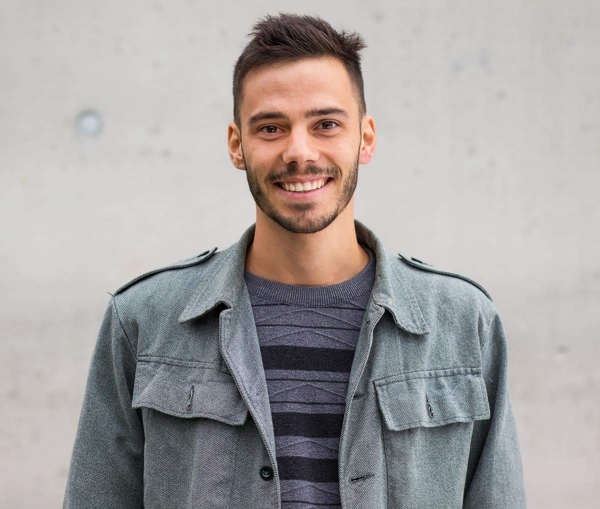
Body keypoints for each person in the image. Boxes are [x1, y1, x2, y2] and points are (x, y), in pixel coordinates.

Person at [64, 14, 526, 509]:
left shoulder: (463, 322)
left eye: (326, 124)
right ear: (237, 145)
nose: (299, 152)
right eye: (271, 127)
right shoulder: (144, 320)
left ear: (366, 138)